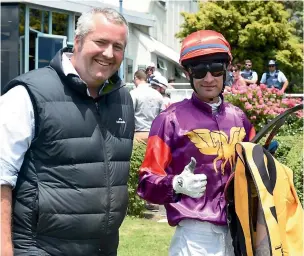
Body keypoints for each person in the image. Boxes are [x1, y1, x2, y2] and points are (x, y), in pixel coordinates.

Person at [0, 8, 134, 256]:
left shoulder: (123, 99)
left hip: (103, 248)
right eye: (101, 42)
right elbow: (1, 176)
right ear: (78, 41)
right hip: (40, 248)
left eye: (118, 46)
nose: (108, 53)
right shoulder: (27, 94)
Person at [137, 30, 256, 256]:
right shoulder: (169, 120)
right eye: (200, 70)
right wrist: (175, 185)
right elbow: (145, 184)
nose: (209, 78)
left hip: (239, 233)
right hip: (195, 237)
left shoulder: (239, 118)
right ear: (188, 73)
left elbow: (255, 172)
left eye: (216, 69)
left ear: (226, 70)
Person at [130, 69, 163, 142]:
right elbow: (162, 115)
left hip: (138, 134)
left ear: (136, 78)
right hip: (154, 134)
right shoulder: (157, 94)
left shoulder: (134, 93)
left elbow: (129, 114)